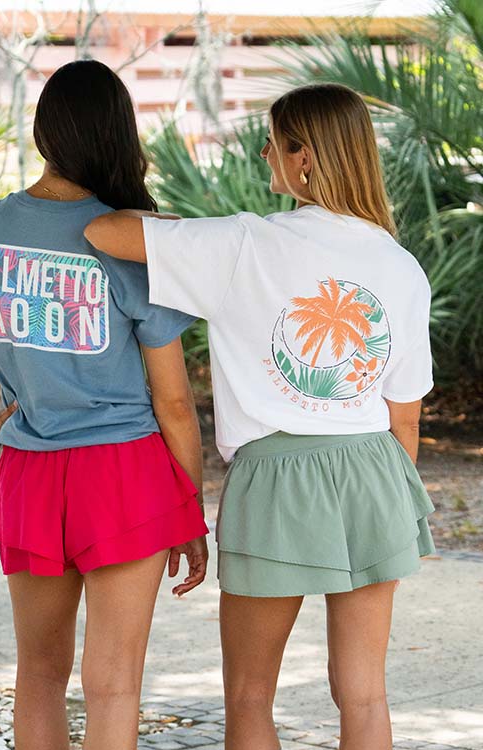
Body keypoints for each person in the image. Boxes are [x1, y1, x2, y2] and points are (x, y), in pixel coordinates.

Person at [83, 82, 437, 750]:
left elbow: (102, 229)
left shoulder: (241, 243)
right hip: (377, 472)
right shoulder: (400, 265)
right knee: (364, 695)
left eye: (273, 140)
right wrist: (388, 502)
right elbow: (406, 418)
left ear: (305, 158)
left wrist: (183, 234)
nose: (263, 153)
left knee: (249, 696)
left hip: (275, 478)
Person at [0, 60, 209, 750]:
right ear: (119, 135)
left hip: (30, 476)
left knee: (37, 674)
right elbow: (174, 401)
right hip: (125, 476)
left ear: (44, 133)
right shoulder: (133, 241)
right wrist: (188, 507)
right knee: (114, 682)